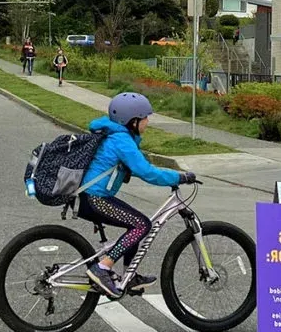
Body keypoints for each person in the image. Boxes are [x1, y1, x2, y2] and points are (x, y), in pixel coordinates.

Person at [78, 92, 197, 298]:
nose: (148, 122)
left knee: (134, 223)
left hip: (93, 197)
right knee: (141, 225)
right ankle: (102, 267)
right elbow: (147, 172)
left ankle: (129, 276)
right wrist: (179, 177)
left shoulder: (118, 135)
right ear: (132, 121)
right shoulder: (122, 140)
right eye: (145, 117)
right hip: (95, 199)